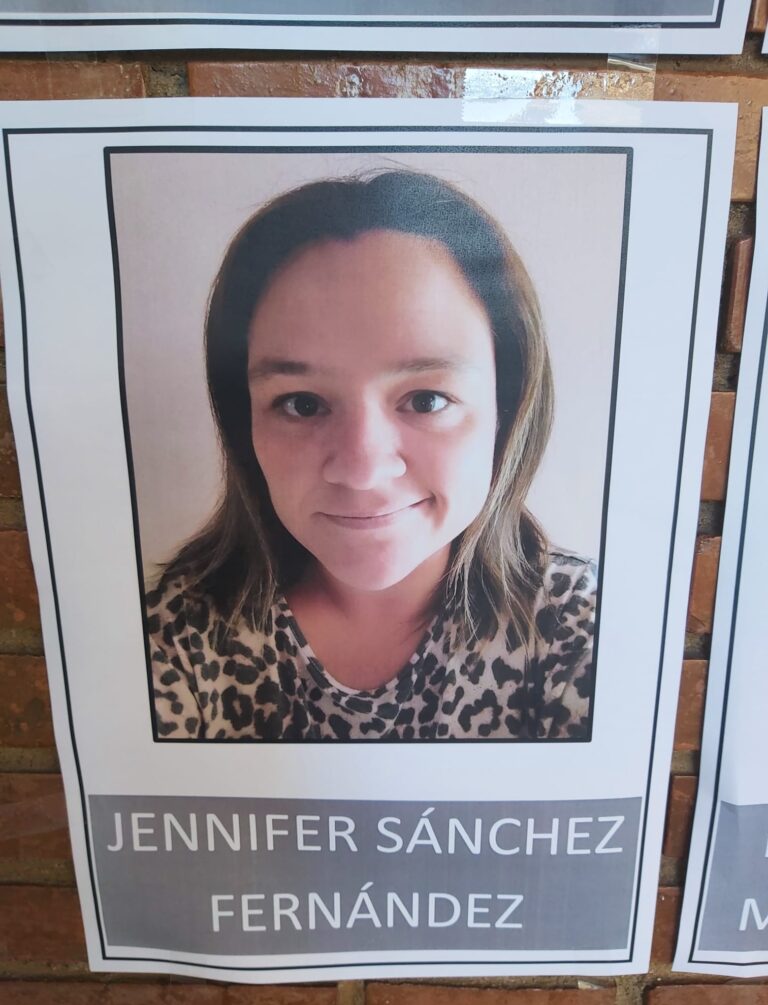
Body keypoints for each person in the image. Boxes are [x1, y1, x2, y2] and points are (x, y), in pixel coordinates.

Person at [146, 169, 597, 742]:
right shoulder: (174, 636)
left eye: (427, 399)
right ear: (246, 423)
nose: (362, 471)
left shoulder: (577, 627)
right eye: (302, 404)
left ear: (506, 409)